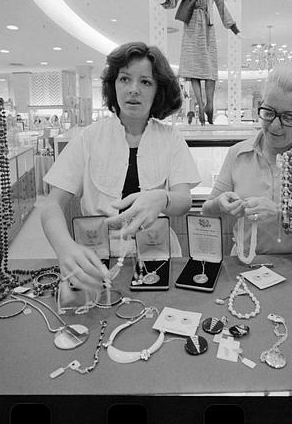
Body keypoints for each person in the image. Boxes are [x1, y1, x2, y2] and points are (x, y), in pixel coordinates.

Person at [42, 42, 200, 295]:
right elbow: (51, 205)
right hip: (95, 256)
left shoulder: (171, 138)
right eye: (125, 79)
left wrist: (162, 198)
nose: (133, 90)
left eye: (145, 82)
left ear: (158, 89)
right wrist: (65, 247)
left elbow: (183, 201)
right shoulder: (89, 137)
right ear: (113, 84)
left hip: (157, 253)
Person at [201, 60, 292, 256]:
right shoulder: (238, 153)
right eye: (269, 112)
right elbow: (207, 210)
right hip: (244, 266)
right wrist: (219, 204)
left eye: (289, 117)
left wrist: (283, 216)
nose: (274, 126)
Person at [160, 0, 240, 126]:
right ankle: (201, 105)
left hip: (208, 27)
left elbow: (222, 7)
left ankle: (208, 104)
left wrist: (233, 27)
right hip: (192, 27)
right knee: (194, 70)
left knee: (210, 69)